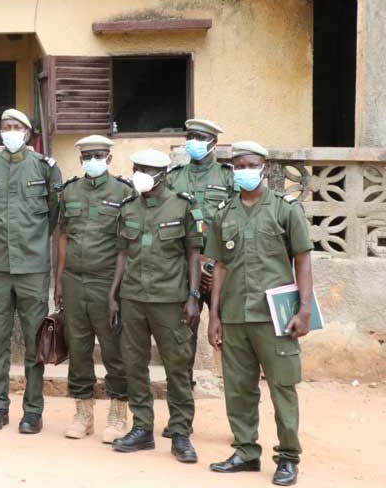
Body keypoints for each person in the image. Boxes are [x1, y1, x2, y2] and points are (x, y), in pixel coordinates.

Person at [206, 141, 311, 487]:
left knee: (282, 387)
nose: (243, 170)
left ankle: (288, 458)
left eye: (249, 164)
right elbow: (219, 265)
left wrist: (305, 310)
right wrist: (215, 315)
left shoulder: (285, 209)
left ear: (263, 167)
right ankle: (246, 452)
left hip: (275, 318)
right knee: (238, 389)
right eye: (237, 166)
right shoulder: (224, 213)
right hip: (236, 316)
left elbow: (302, 258)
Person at [108, 149, 203, 463]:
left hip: (171, 300)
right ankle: (142, 429)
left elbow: (193, 253)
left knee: (177, 367)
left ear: (162, 174)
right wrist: (113, 294)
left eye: (145, 169)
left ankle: (180, 434)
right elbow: (122, 253)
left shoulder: (183, 206)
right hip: (133, 299)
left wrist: (193, 296)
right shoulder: (129, 208)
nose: (139, 174)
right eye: (136, 168)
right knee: (135, 365)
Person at [0, 108, 61, 434]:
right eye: (5, 127)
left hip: (32, 268)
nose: (10, 132)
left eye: (16, 127)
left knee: (34, 343)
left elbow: (53, 215)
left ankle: (33, 411)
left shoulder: (45, 168)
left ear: (27, 133)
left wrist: (34, 242)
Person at [54, 135, 134, 442]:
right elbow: (62, 237)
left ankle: (117, 414)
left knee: (113, 349)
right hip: (74, 281)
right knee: (78, 347)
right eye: (88, 156)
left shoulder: (124, 192)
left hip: (105, 282)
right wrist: (59, 279)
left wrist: (117, 290)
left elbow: (125, 245)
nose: (93, 160)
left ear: (109, 158)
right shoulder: (70, 191)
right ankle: (83, 413)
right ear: (81, 160)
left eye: (99, 155)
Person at [167, 118, 234, 436]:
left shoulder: (229, 177)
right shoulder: (174, 177)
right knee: (181, 347)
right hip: (184, 271)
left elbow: (238, 223)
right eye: (189, 136)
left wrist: (215, 263)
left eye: (200, 137)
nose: (193, 141)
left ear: (213, 142)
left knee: (233, 349)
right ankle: (180, 420)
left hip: (221, 271)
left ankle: (241, 426)